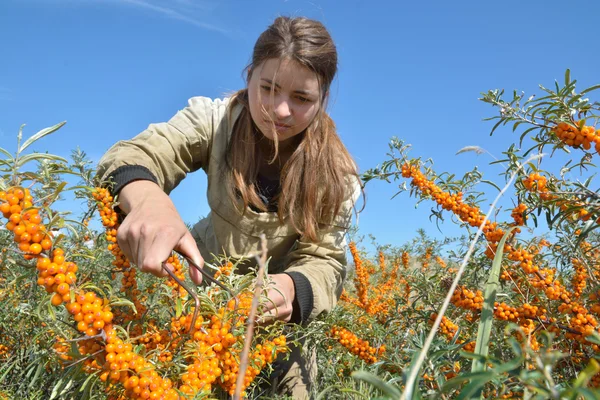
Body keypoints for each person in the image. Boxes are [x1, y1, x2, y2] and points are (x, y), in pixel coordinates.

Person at [96, 15, 361, 399]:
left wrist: (291, 288)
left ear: (323, 99)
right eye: (268, 88)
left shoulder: (338, 175)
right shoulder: (214, 120)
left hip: (281, 315)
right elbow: (137, 153)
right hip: (203, 292)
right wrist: (147, 198)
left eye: (302, 98)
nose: (281, 110)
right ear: (249, 75)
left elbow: (326, 260)